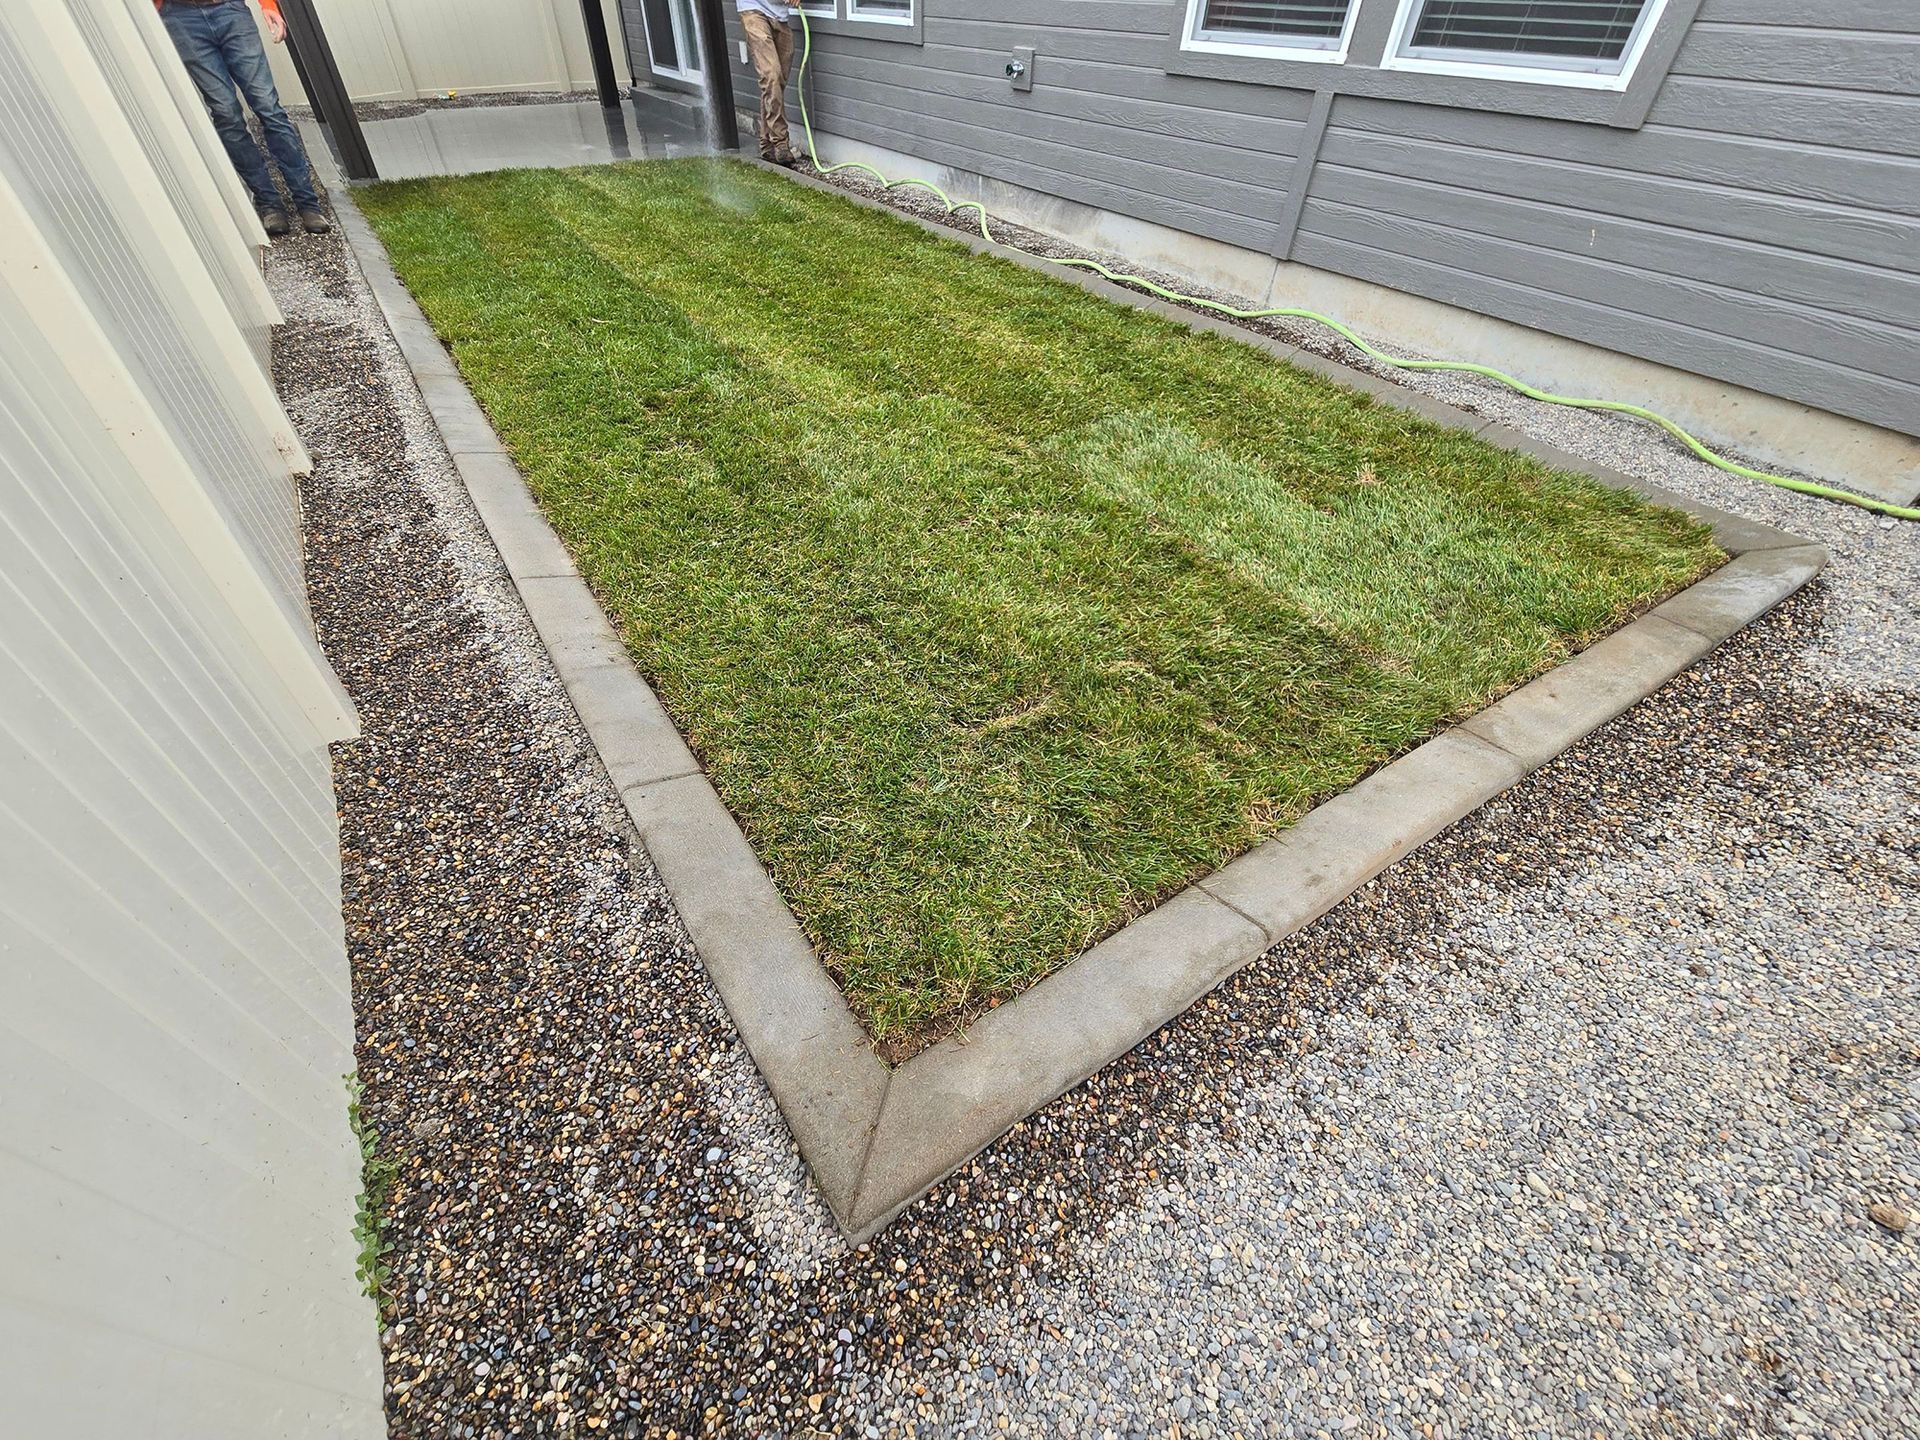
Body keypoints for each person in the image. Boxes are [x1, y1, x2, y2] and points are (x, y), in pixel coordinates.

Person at [156, 0, 330, 236]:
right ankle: (269, 203)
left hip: (231, 11)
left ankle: (308, 203)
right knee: (226, 113)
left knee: (268, 107)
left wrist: (269, 6)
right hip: (181, 18)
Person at [738, 0, 799, 166]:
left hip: (780, 16)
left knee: (775, 84)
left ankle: (766, 144)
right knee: (772, 75)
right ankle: (781, 143)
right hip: (753, 11)